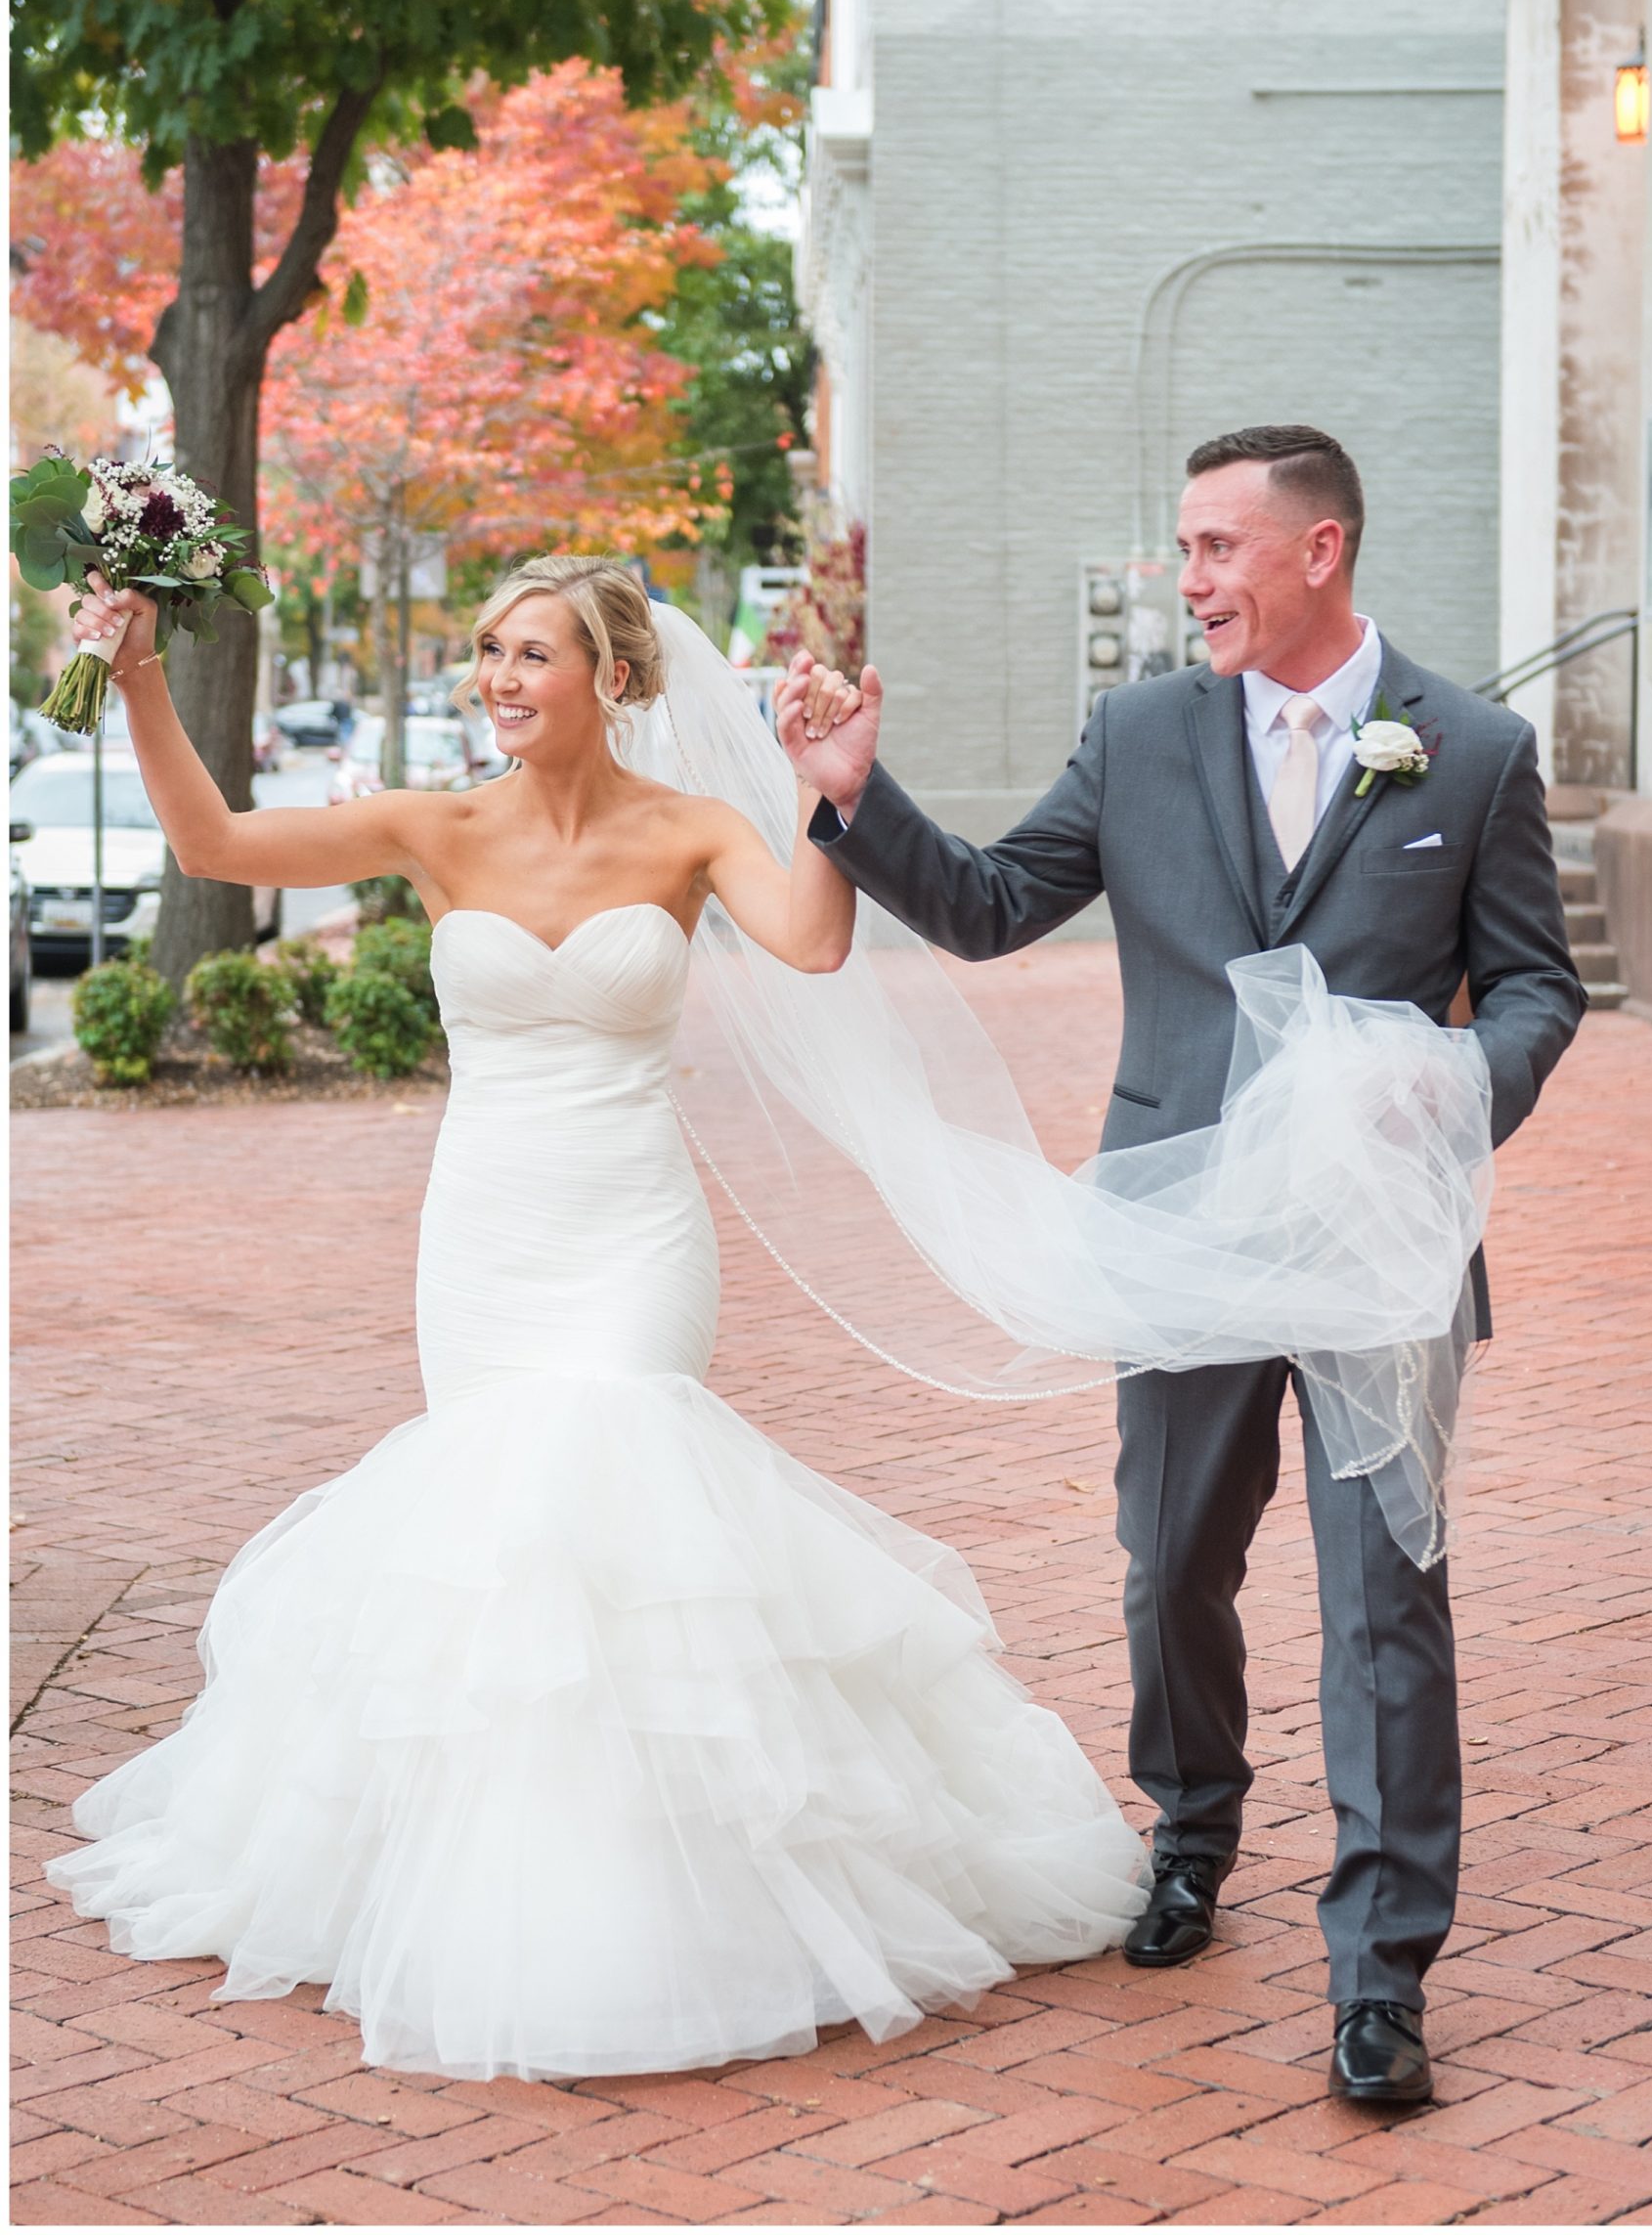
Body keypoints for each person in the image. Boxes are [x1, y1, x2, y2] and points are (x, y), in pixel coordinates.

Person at [45, 552, 1152, 2082]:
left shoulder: (695, 829)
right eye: (487, 651)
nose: (498, 678)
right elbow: (216, 840)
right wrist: (146, 670)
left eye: (531, 653)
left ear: (613, 677)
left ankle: (674, 1900)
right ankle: (514, 1897)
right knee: (509, 1544)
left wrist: (834, 793)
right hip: (487, 1237)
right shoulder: (432, 827)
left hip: (632, 1230)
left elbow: (815, 942)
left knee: (623, 1497)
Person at [782, 424, 1587, 2104]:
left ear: (1321, 552)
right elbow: (999, 904)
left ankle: (1381, 1976)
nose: (1191, 582)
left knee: (1386, 1607)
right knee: (1168, 1568)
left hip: (1378, 1254)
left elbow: (1533, 992)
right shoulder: (1137, 732)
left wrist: (1449, 1090)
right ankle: (1193, 1836)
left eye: (1219, 549)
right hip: (1176, 1230)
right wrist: (859, 802)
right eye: (1184, 550)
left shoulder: (1476, 749)